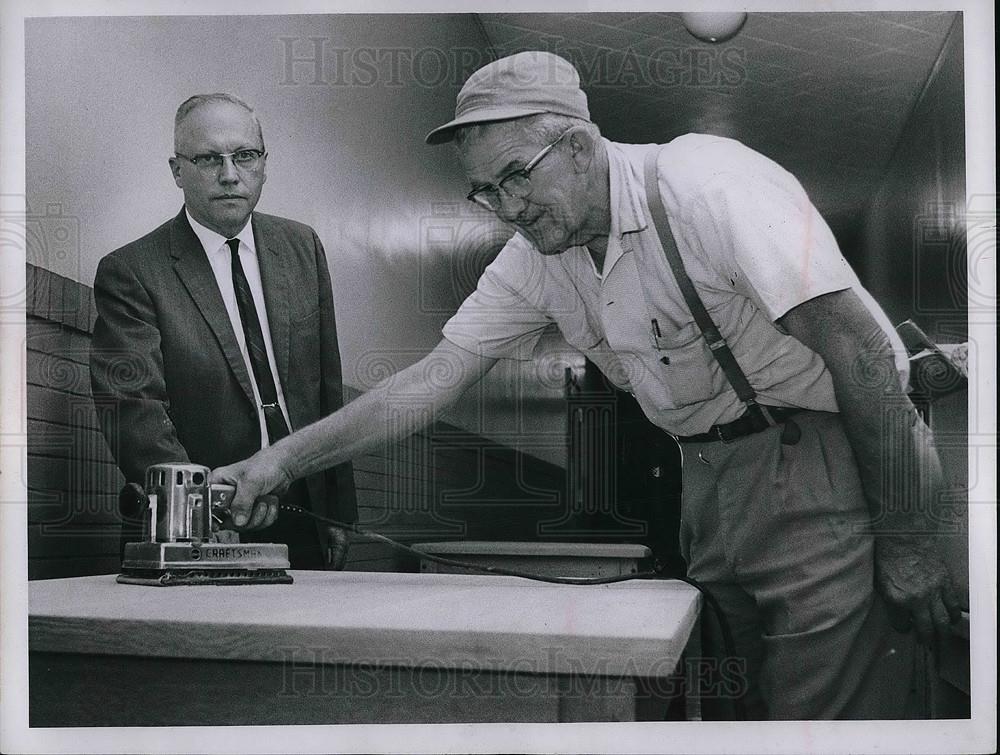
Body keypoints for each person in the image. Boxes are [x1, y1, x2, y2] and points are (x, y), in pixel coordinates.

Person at [211, 53, 961, 718]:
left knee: (827, 710)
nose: (507, 208)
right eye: (486, 192)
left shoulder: (706, 184)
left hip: (818, 459)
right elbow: (427, 383)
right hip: (705, 479)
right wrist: (279, 462)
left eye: (515, 179)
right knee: (740, 701)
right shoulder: (535, 254)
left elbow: (861, 352)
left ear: (579, 144)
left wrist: (910, 539)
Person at [90, 93, 355, 569]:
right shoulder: (131, 272)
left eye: (245, 156)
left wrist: (337, 508)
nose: (230, 175)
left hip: (305, 511)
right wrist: (205, 506)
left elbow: (326, 388)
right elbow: (135, 409)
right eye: (209, 158)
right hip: (202, 527)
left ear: (264, 163)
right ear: (177, 170)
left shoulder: (302, 248)